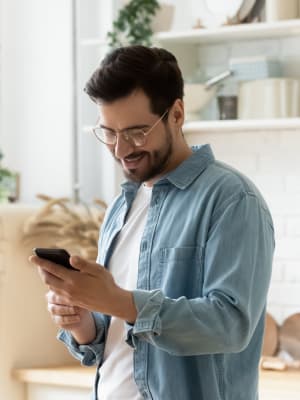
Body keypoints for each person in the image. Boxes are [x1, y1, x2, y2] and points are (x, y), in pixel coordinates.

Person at [30, 45, 275, 400]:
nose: (120, 149)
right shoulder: (120, 208)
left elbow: (231, 325)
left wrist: (120, 301)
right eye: (109, 133)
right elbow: (121, 338)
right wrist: (83, 322)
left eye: (136, 132)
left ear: (176, 114)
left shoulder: (231, 199)